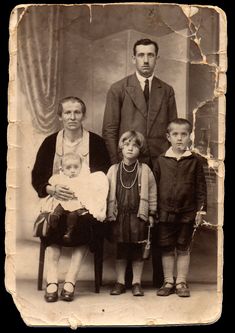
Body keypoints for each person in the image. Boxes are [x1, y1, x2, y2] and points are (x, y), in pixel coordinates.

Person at [102, 38, 178, 287]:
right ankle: (123, 280)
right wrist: (117, 165)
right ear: (133, 58)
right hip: (127, 164)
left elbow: (172, 129)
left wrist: (167, 165)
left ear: (157, 58)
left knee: (155, 214)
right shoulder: (118, 88)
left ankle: (159, 278)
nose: (146, 60)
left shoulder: (166, 90)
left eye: (150, 55)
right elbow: (110, 130)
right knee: (128, 217)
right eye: (141, 55)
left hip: (158, 164)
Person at [32, 96, 110, 302]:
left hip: (85, 201)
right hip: (56, 199)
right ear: (60, 117)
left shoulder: (96, 143)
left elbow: (103, 176)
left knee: (85, 222)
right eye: (67, 112)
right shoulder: (50, 142)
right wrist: (51, 188)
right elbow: (37, 176)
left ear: (83, 115)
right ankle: (51, 281)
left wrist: (84, 192)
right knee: (53, 221)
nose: (72, 117)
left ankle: (69, 281)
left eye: (77, 112)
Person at [154, 118, 207, 297]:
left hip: (187, 212)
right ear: (168, 137)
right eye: (175, 134)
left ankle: (181, 282)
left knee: (183, 247)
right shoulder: (161, 160)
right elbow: (154, 187)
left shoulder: (195, 160)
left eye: (183, 134)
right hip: (164, 212)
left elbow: (201, 187)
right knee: (167, 247)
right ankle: (168, 281)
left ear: (189, 137)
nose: (179, 138)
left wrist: (201, 210)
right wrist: (154, 211)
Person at [106, 131, 157, 296]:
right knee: (121, 250)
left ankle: (136, 283)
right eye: (127, 144)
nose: (130, 148)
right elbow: (104, 191)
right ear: (121, 147)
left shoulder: (145, 169)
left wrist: (151, 213)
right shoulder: (113, 170)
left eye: (135, 145)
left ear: (140, 150)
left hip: (138, 216)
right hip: (119, 216)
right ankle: (120, 282)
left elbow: (152, 192)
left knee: (137, 251)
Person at [40, 153, 109, 243]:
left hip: (75, 203)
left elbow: (86, 192)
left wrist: (79, 194)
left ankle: (69, 232)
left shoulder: (83, 179)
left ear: (80, 167)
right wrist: (56, 187)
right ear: (62, 169)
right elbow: (52, 182)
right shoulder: (60, 178)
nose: (73, 170)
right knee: (57, 209)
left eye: (76, 167)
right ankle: (53, 221)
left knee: (72, 216)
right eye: (68, 168)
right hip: (63, 202)